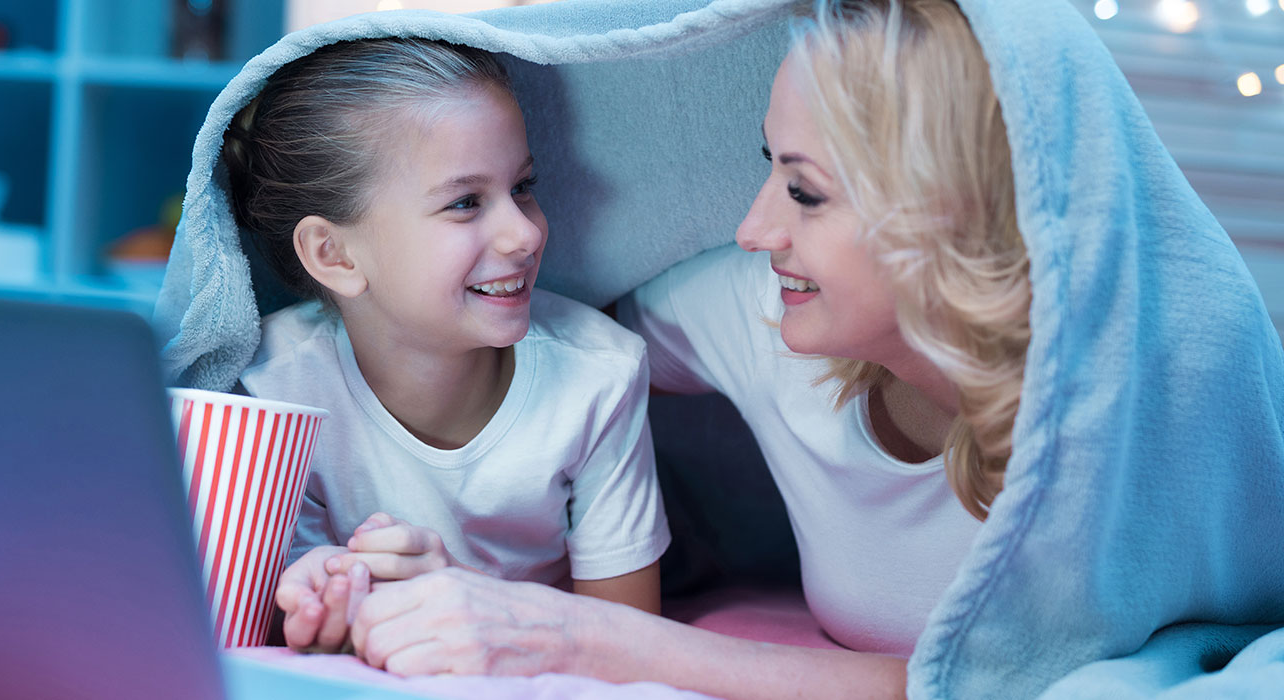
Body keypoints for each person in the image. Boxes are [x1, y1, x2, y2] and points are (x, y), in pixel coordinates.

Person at [342, 1, 1021, 696]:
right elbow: (546, 366)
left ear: (955, 209)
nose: (754, 230)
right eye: (769, 167)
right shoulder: (763, 305)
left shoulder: (1100, 430)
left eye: (804, 191)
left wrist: (574, 635)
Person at [220, 38, 672, 653]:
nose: (525, 233)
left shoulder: (600, 376)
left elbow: (633, 640)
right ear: (335, 254)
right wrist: (317, 604)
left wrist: (465, 601)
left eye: (523, 187)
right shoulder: (272, 394)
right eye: (465, 202)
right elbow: (271, 624)